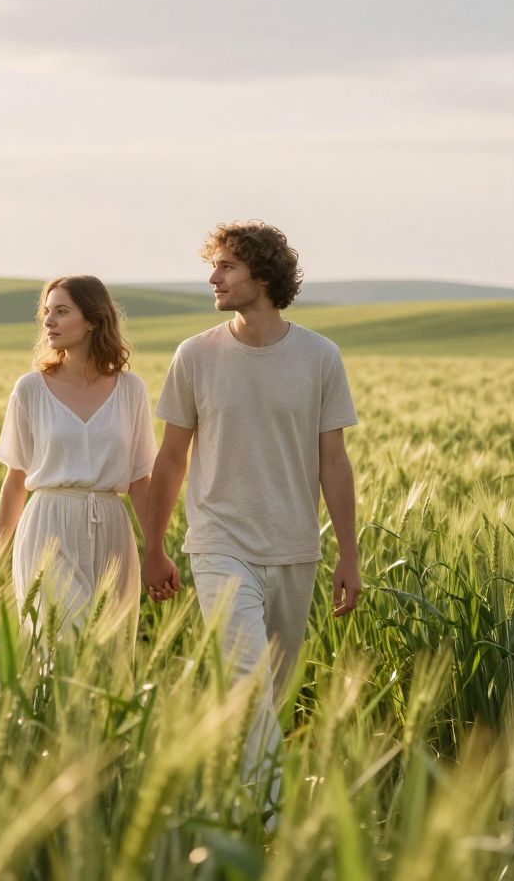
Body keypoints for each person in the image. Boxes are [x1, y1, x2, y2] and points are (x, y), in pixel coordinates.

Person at [141, 221, 360, 809]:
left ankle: (232, 804)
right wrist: (153, 546)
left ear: (262, 276)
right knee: (245, 681)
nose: (213, 278)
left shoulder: (320, 357)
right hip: (219, 544)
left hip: (294, 548)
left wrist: (349, 554)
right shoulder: (195, 355)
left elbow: (334, 463)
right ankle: (268, 821)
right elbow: (171, 457)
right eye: (213, 266)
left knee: (272, 696)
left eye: (226, 266)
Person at [0, 275, 157, 650]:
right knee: (62, 648)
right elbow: (16, 479)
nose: (48, 321)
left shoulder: (131, 390)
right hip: (48, 527)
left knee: (109, 654)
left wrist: (155, 550)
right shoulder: (30, 389)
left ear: (93, 320)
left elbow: (139, 480)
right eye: (46, 312)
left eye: (62, 312)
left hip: (112, 531)